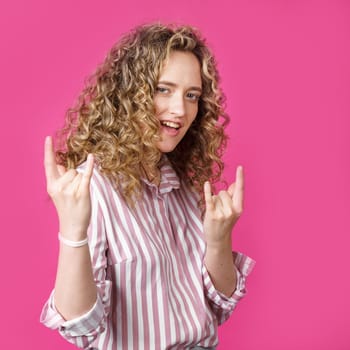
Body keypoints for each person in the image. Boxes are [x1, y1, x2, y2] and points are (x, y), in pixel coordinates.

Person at [40, 22, 255, 350]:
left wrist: (218, 241)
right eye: (163, 89)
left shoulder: (186, 189)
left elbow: (219, 305)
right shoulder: (92, 188)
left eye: (191, 95)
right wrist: (72, 232)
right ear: (130, 95)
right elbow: (82, 327)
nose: (180, 110)